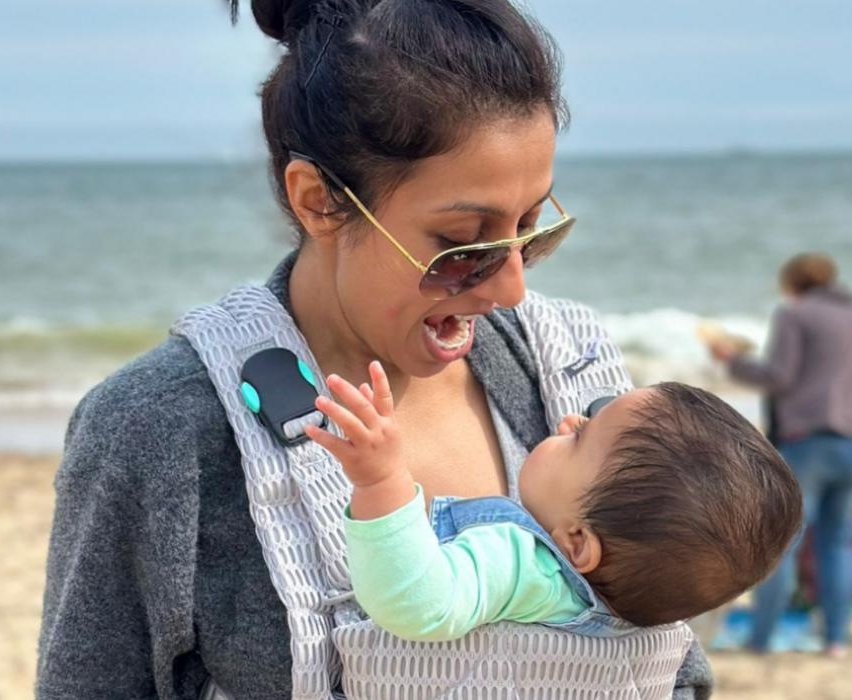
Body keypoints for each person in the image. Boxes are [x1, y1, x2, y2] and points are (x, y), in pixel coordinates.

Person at [36, 0, 716, 697]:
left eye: (531, 230)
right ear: (319, 202)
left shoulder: (572, 368)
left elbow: (675, 673)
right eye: (462, 245)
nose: (511, 287)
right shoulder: (159, 430)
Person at [306, 363, 802, 639]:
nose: (569, 420)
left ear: (577, 543)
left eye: (581, 437)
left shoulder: (524, 564)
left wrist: (382, 480)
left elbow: (418, 605)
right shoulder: (635, 618)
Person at [707, 252, 852, 658]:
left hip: (809, 439)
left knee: (782, 541)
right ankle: (837, 640)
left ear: (791, 283)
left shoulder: (793, 315)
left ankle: (761, 638)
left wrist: (733, 361)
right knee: (838, 541)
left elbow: (779, 376)